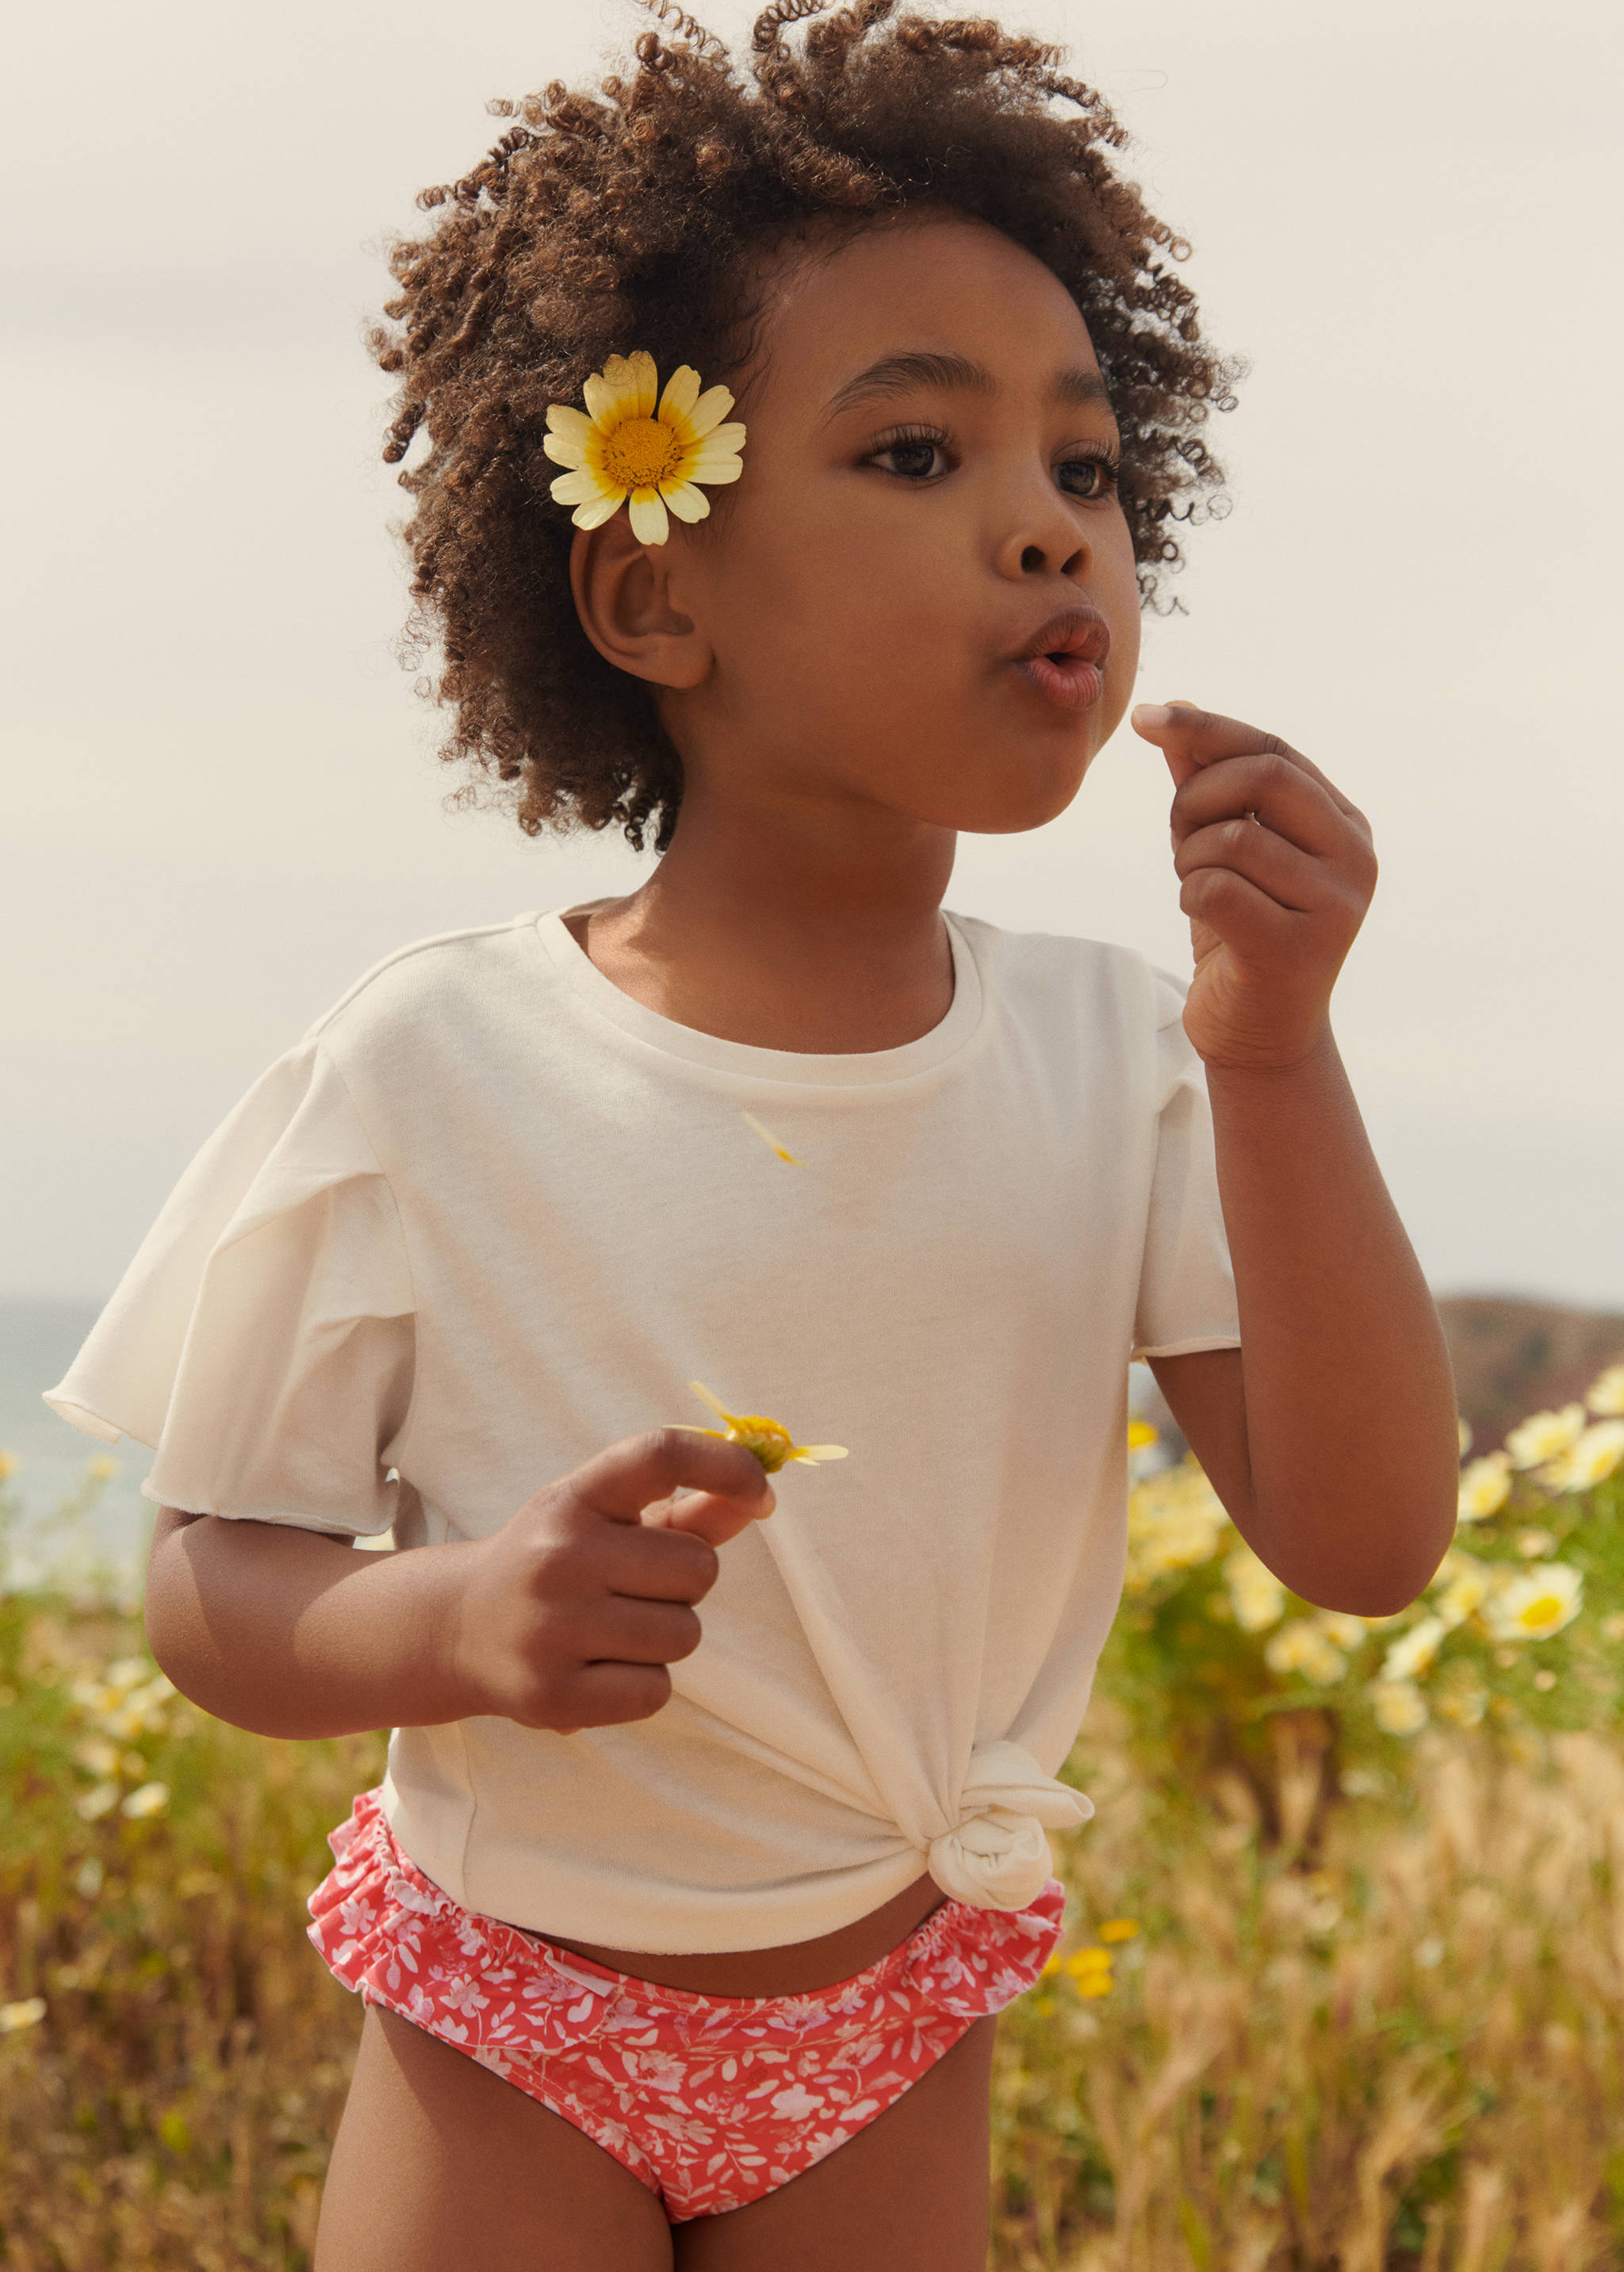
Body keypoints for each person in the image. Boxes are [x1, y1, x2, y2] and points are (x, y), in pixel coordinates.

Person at [44, 5, 1460, 2265]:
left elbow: (1369, 1537)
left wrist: (1282, 1054)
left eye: (1087, 470)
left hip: (888, 2024)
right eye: (916, 457)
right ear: (652, 585)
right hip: (512, 2021)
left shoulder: (1143, 1060)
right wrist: (461, 1619)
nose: (1042, 531)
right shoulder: (433, 1066)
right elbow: (214, 1587)